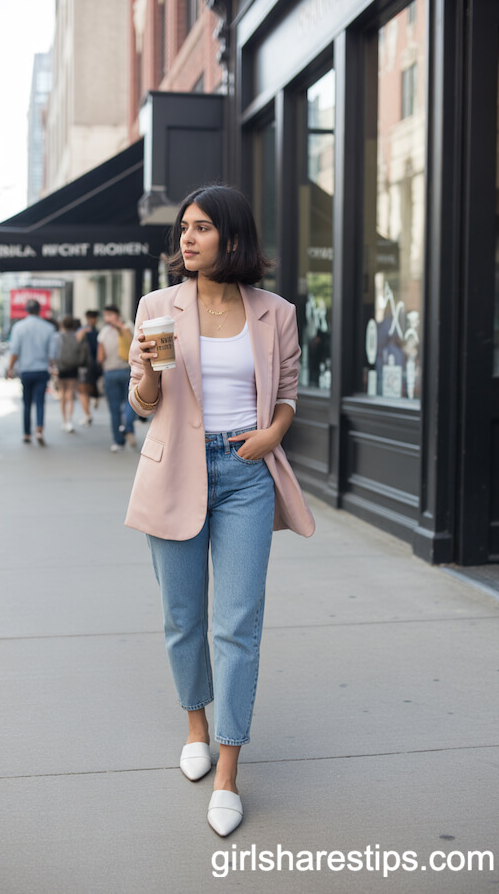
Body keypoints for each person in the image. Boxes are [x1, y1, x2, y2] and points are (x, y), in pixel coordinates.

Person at [126, 185, 315, 837]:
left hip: (244, 473)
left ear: (231, 237)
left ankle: (230, 772)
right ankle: (195, 727)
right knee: (183, 618)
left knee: (238, 626)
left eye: (201, 227)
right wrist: (149, 371)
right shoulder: (157, 306)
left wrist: (272, 434)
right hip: (175, 466)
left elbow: (288, 394)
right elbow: (142, 404)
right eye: (183, 227)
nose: (187, 237)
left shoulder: (275, 313)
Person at [8, 299, 57, 445]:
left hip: (26, 370)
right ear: (39, 310)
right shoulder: (48, 328)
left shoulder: (18, 327)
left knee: (27, 402)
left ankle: (27, 434)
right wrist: (52, 367)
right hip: (42, 370)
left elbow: (14, 350)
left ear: (27, 310)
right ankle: (39, 429)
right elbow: (52, 354)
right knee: (40, 401)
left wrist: (10, 368)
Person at [97, 306, 136, 452]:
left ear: (116, 315)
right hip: (127, 370)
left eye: (109, 314)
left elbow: (100, 357)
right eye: (105, 315)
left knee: (115, 408)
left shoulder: (104, 332)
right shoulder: (129, 327)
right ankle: (128, 427)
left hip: (112, 372)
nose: (107, 317)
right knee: (131, 402)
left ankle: (118, 441)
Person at [55, 315, 88, 432]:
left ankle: (64, 420)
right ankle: (69, 420)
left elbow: (55, 353)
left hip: (61, 368)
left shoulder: (58, 337)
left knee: (63, 393)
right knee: (70, 393)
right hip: (74, 367)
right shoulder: (77, 336)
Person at [76, 310, 100, 425]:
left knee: (84, 389)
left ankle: (87, 413)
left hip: (90, 365)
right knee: (84, 389)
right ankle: (87, 413)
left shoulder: (97, 331)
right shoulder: (85, 331)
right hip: (88, 364)